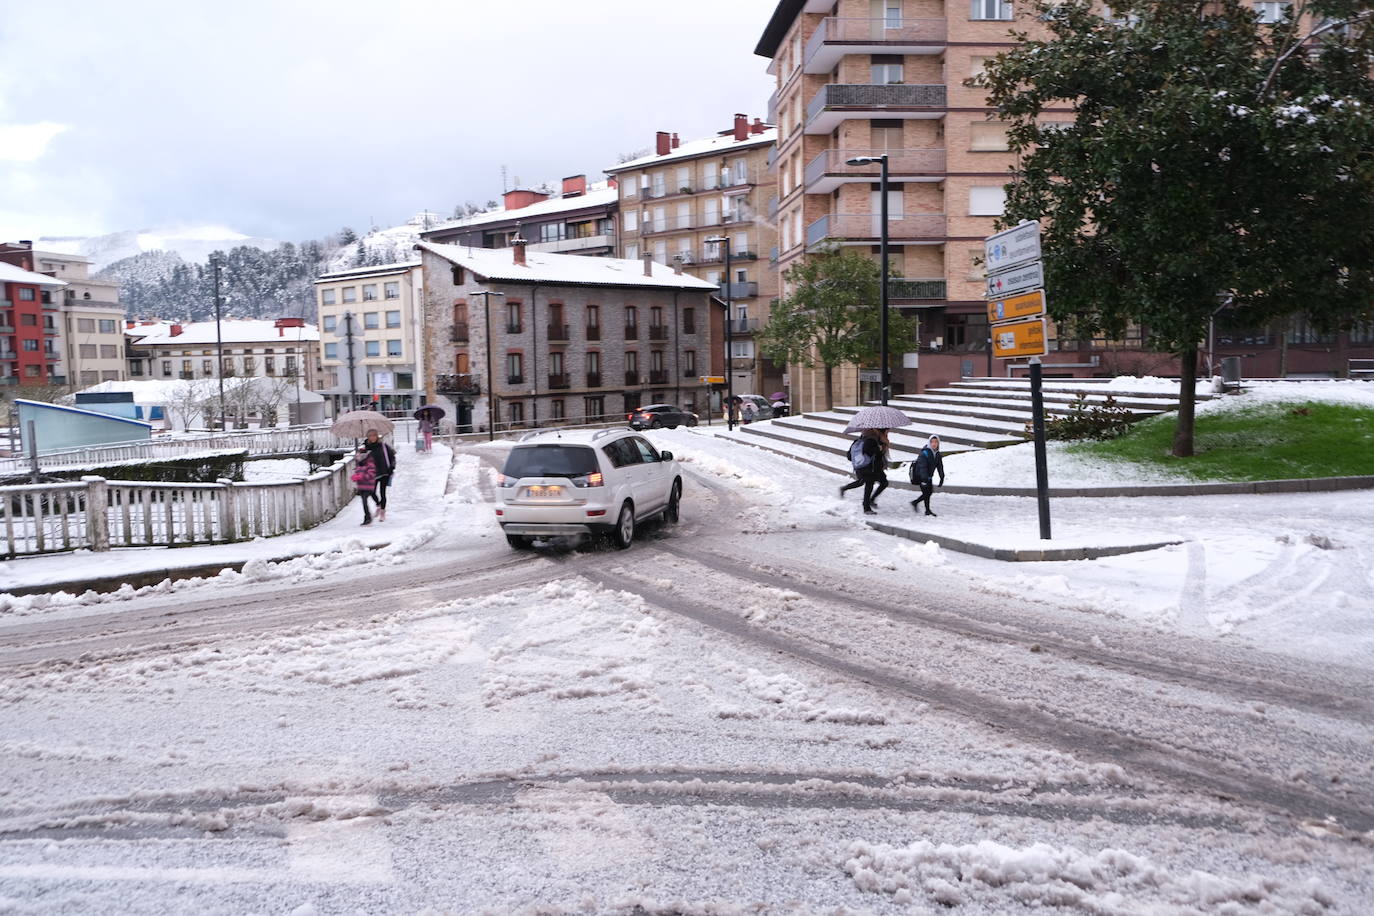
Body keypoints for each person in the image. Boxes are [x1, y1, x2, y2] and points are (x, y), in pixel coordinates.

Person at [839, 428, 890, 514]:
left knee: (883, 482)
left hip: (873, 468)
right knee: (868, 484)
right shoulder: (871, 440)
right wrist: (879, 449)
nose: (888, 431)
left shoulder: (862, 438)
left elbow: (849, 455)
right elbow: (871, 453)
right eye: (887, 430)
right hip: (868, 468)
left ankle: (870, 500)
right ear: (881, 431)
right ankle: (866, 508)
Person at [361, 429, 397, 522]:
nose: (372, 437)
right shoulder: (365, 449)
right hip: (372, 473)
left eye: (374, 435)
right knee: (372, 491)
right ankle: (378, 504)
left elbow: (392, 457)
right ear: (367, 437)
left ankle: (382, 512)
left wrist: (392, 467)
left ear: (377, 436)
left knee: (382, 493)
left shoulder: (383, 446)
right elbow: (361, 461)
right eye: (370, 436)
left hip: (385, 472)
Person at [910, 434, 946, 516]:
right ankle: (924, 508)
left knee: (928, 493)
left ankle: (918, 504)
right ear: (929, 443)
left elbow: (940, 466)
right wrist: (924, 479)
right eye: (932, 442)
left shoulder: (937, 454)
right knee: (927, 493)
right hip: (921, 477)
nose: (934, 444)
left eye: (936, 442)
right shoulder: (925, 453)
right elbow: (922, 467)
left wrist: (942, 477)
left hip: (929, 477)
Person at [351, 447, 378, 526]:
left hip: (368, 487)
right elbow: (359, 473)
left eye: (358, 456)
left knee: (364, 502)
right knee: (364, 502)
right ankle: (367, 517)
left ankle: (368, 518)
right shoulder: (359, 464)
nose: (357, 458)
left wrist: (361, 477)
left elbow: (371, 474)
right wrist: (355, 476)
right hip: (361, 486)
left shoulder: (370, 463)